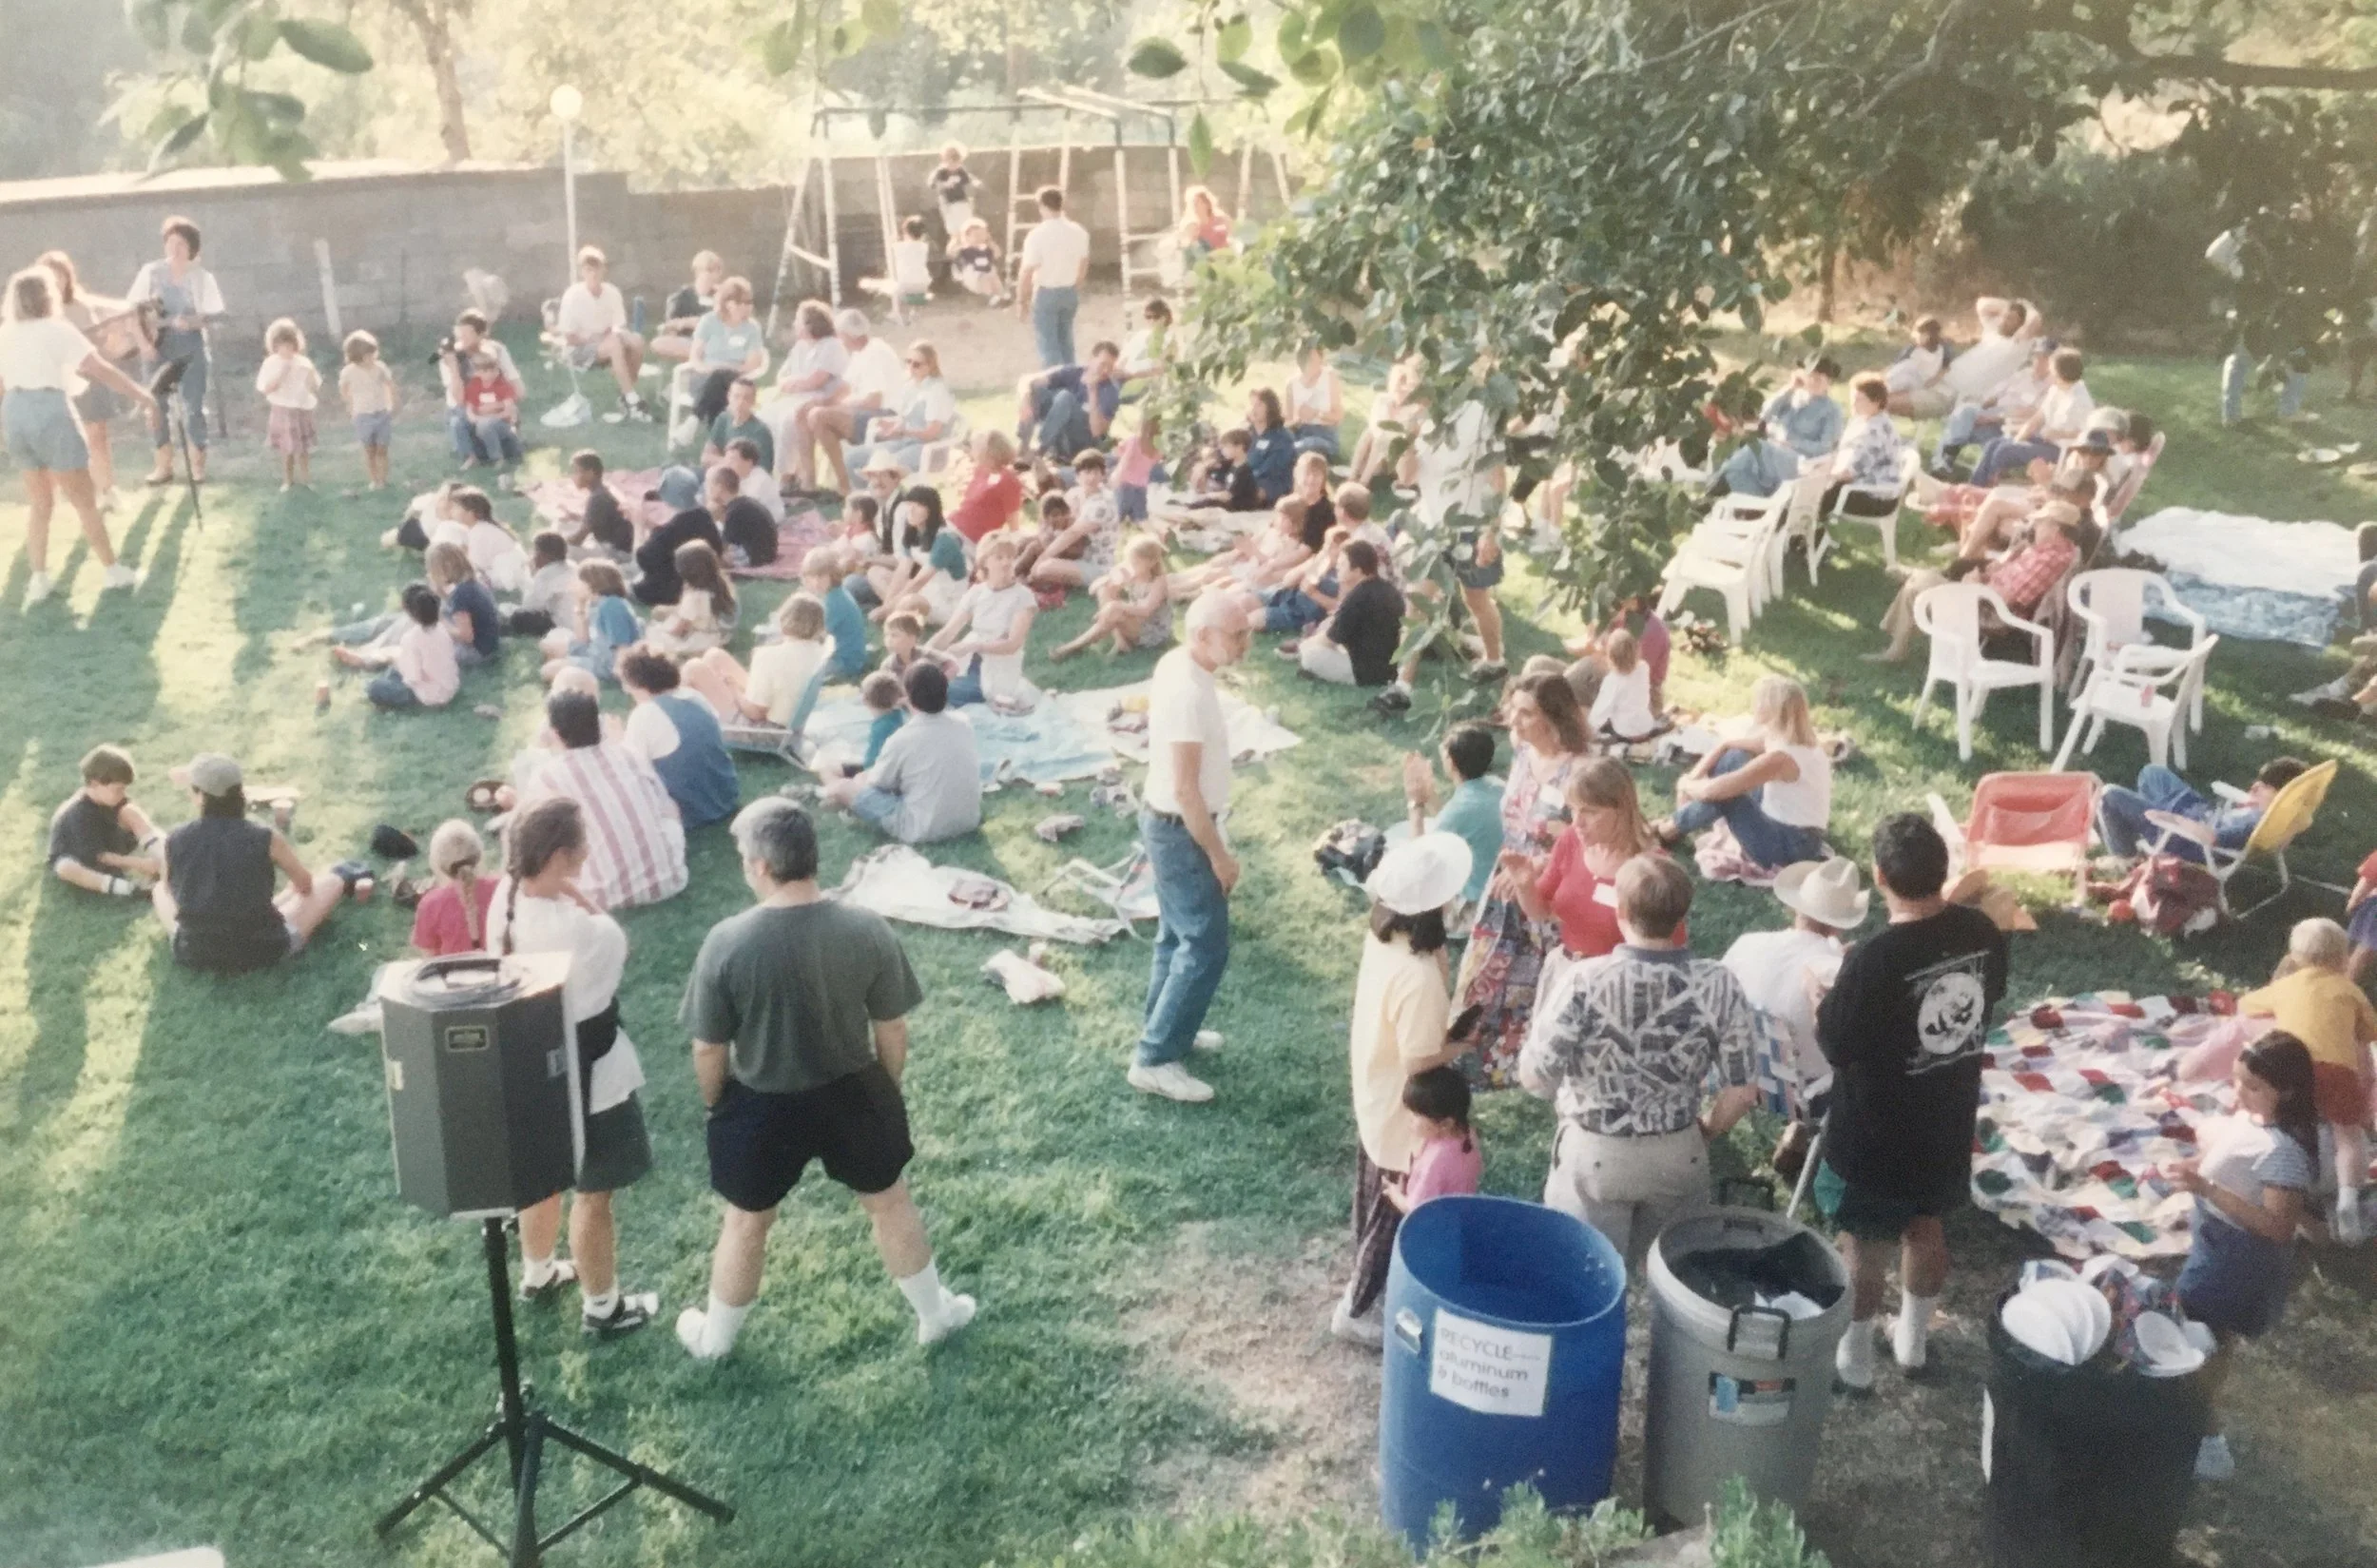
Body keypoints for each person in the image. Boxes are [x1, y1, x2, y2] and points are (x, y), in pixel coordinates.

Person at [675, 798, 978, 1360]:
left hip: (762, 1103)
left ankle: (715, 1342)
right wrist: (884, 1087)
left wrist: (719, 1102)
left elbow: (707, 1046)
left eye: (744, 858)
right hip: (853, 1090)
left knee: (747, 1221)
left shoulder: (727, 941)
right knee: (889, 1201)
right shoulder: (866, 928)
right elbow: (892, 1027)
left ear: (762, 866)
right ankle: (936, 1317)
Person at [1815, 813, 2009, 1390]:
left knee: (1862, 1245)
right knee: (1925, 1228)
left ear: (1880, 877)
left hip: (1875, 1135)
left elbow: (1836, 1044)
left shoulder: (1873, 959)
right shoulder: (1981, 932)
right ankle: (1914, 1343)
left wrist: (1821, 996)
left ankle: (1853, 1359)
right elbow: (1987, 994)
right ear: (1943, 871)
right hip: (1947, 1121)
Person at [1518, 855, 1761, 1271]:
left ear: (1622, 911)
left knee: (1586, 1282)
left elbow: (1537, 1079)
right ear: (1683, 912)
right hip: (1678, 1152)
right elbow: (1742, 1092)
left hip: (1594, 1156)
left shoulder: (1584, 980)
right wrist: (1705, 1131)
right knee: (1667, 1286)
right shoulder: (1719, 983)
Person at [488, 797, 662, 1339]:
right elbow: (615, 939)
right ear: (563, 855)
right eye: (581, 846)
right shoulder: (582, 932)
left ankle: (538, 1272)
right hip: (592, 1073)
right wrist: (579, 892)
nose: (589, 851)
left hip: (528, 1067)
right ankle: (604, 1307)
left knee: (542, 1178)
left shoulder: (506, 899)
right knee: (594, 1191)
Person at [1334, 832, 1473, 1345]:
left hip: (1376, 1084)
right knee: (1391, 1212)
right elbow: (1419, 1059)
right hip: (1404, 1108)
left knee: (1370, 1195)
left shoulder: (1384, 939)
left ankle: (1360, 1284)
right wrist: (1462, 1045)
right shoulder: (1418, 978)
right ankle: (1357, 1307)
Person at [2171, 1032, 2318, 1481]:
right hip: (2216, 1245)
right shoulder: (2250, 1121)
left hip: (2237, 1262)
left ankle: (2205, 1443)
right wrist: (2196, 1165)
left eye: (2253, 1086)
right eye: (2238, 1080)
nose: (2240, 1092)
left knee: (2190, 1344)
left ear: (2287, 1092)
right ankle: (2196, 1432)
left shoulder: (2284, 1153)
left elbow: (2277, 1227)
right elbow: (2227, 1155)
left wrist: (2209, 1189)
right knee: (2209, 1345)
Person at [1131, 592, 1254, 1103]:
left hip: (1176, 823)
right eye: (1237, 635)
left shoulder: (1182, 663)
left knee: (1175, 937)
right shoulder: (1187, 692)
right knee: (1204, 944)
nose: (1247, 644)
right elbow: (1186, 791)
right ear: (1202, 634)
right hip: (1180, 827)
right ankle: (1156, 1058)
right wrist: (1219, 855)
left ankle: (1169, 1028)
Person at [1452, 672, 1593, 1086]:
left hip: (1545, 885)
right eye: (1513, 710)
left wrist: (1537, 868)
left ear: (1553, 716)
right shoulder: (1521, 753)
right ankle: (1465, 1050)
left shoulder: (1580, 772)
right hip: (1505, 877)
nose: (1514, 721)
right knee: (1481, 972)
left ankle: (1528, 1061)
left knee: (1533, 983)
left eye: (1526, 713)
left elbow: (1588, 844)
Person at [1, 265, 156, 603]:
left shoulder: (5, 334)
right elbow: (102, 369)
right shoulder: (58, 330)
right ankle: (113, 571)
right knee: (85, 501)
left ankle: (38, 579)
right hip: (50, 410)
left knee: (39, 503)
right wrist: (142, 395)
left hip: (14, 412)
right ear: (47, 298)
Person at [1721, 857, 1866, 1176]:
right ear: (1840, 923)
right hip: (1801, 1096)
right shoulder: (1838, 976)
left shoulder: (1747, 945)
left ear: (1795, 906)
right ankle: (1803, 1135)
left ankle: (1793, 1134)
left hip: (1733, 1071)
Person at [2239, 918, 2377, 1243]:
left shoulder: (2287, 985)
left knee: (2289, 1122)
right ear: (2343, 959)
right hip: (2338, 1070)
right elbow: (2371, 1031)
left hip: (2293, 1066)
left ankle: (2285, 1182)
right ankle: (2348, 1197)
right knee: (2349, 1136)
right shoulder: (2350, 990)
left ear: (2294, 958)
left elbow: (2245, 1005)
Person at [152, 754, 354, 973]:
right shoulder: (265, 837)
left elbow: (168, 890)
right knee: (332, 881)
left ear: (200, 796)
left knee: (158, 892)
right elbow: (305, 884)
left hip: (193, 950)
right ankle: (266, 911)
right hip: (264, 949)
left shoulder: (174, 838)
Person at [514, 688, 688, 908]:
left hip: (601, 895)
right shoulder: (629, 754)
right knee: (669, 807)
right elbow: (663, 804)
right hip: (669, 881)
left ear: (556, 732)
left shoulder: (547, 776)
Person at [1500, 758, 1665, 989]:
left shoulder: (1653, 868)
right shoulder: (1571, 841)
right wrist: (1525, 886)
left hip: (1618, 985)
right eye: (1573, 810)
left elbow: (1667, 953)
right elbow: (1540, 912)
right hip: (1567, 971)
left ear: (1621, 809)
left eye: (1589, 811)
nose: (1577, 822)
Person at [1867, 501, 2079, 664]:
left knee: (1920, 584)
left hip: (1991, 614)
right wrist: (1990, 575)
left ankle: (1897, 647)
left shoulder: (2050, 560)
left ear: (2055, 529)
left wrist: (1975, 587)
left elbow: (2009, 600)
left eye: (2041, 522)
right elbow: (2010, 583)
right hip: (1984, 598)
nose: (2035, 526)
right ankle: (1897, 646)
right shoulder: (2042, 551)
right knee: (1922, 582)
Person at [821, 662, 983, 842]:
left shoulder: (901, 739)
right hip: (969, 820)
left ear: (908, 696)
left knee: (844, 787)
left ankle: (829, 796)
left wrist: (859, 781)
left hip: (922, 827)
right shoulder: (964, 723)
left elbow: (877, 784)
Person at [36, 251, 138, 509]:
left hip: (90, 378)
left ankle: (107, 490)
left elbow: (100, 340)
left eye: (60, 275)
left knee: (98, 436)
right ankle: (67, 496)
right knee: (61, 443)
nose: (56, 281)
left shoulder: (81, 306)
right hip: (57, 384)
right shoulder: (36, 313)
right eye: (50, 276)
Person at [127, 215, 224, 486]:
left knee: (193, 406)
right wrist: (144, 344)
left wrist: (190, 321)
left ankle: (197, 466)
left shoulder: (202, 277)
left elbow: (211, 315)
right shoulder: (150, 272)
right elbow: (133, 311)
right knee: (156, 406)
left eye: (181, 243)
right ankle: (163, 465)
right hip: (158, 346)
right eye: (170, 242)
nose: (174, 248)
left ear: (192, 247)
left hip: (191, 345)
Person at [2096, 755, 2310, 865]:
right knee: (2152, 772)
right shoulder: (2279, 817)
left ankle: (2126, 859)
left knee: (2109, 794)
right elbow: (2295, 828)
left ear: (2281, 796)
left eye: (2264, 787)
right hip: (2195, 809)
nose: (2255, 787)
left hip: (2180, 837)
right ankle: (2134, 823)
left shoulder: (2255, 821)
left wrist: (2170, 818)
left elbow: (2210, 836)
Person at [617, 647, 741, 829]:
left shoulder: (644, 714)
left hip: (690, 812)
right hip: (726, 796)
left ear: (634, 684)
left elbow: (632, 769)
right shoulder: (694, 696)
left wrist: (617, 741)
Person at [1401, 723, 1505, 920]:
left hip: (1476, 905)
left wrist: (1415, 802)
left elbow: (1417, 859)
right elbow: (1454, 826)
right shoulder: (1497, 786)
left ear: (1451, 761)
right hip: (1501, 888)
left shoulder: (1461, 808)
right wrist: (1429, 793)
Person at [796, 310, 906, 494]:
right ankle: (809, 482)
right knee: (805, 412)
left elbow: (874, 401)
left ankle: (844, 485)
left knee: (818, 416)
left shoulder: (875, 352)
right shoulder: (858, 353)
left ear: (847, 335)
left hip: (883, 417)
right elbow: (845, 387)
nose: (840, 340)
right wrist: (824, 401)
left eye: (840, 336)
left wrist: (836, 407)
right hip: (864, 413)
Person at [684, 591, 830, 731]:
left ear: (784, 620)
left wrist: (733, 689)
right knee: (714, 656)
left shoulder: (768, 656)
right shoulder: (818, 650)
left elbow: (755, 713)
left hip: (766, 730)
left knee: (693, 668)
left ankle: (680, 725)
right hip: (788, 716)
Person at [1712, 357, 1845, 498]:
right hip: (1773, 456)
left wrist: (1792, 443)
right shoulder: (1792, 397)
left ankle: (1711, 490)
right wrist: (1790, 387)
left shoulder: (1832, 410)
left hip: (1802, 462)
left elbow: (1825, 448)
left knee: (1757, 447)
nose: (1813, 382)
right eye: (1810, 377)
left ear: (1828, 383)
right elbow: (1765, 414)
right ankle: (1754, 509)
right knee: (1736, 472)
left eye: (1819, 379)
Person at [930, 534, 1037, 707]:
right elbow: (949, 631)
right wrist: (921, 655)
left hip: (997, 670)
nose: (1006, 562)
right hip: (966, 665)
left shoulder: (1023, 596)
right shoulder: (977, 592)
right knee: (921, 681)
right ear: (985, 562)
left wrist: (974, 646)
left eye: (1010, 557)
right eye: (999, 557)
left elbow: (1013, 644)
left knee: (936, 691)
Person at [48, 745, 163, 898]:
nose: (123, 794)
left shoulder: (112, 800)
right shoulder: (78, 814)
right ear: (95, 784)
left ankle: (167, 855)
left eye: (124, 789)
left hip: (108, 842)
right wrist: (139, 864)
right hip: (83, 857)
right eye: (118, 790)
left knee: (130, 811)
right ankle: (131, 889)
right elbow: (98, 856)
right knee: (65, 868)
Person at [1968, 347, 2094, 487]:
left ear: (2061, 373)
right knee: (1994, 444)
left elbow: (2087, 434)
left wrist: (2060, 433)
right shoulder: (2056, 391)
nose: (2050, 373)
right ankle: (1974, 486)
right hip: (2044, 440)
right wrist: (2018, 438)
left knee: (2004, 451)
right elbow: (2038, 418)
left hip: (2060, 450)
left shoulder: (2080, 400)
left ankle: (1986, 488)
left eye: (2052, 370)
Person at [1932, 338, 2054, 476]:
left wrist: (1993, 418)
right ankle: (1943, 463)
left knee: (1960, 422)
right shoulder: (2022, 375)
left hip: (2010, 425)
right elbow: (1993, 395)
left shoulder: (2052, 386)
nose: (2039, 361)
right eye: (2037, 356)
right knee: (1965, 413)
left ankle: (1945, 459)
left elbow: (2033, 414)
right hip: (1991, 416)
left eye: (2045, 358)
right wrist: (1980, 410)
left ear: (2053, 362)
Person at [556, 246, 650, 421]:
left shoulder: (612, 292)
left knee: (636, 340)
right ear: (582, 272)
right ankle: (632, 400)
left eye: (597, 268)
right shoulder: (572, 295)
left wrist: (620, 335)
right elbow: (569, 337)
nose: (593, 273)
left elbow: (617, 325)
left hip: (606, 342)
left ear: (604, 270)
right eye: (588, 269)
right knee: (615, 344)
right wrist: (598, 338)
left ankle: (627, 394)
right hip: (578, 349)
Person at [1297, 540, 1404, 687]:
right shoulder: (1389, 589)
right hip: (1390, 667)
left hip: (1365, 673)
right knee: (1326, 629)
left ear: (1357, 571)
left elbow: (1330, 640)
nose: (1337, 568)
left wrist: (1305, 645)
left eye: (1342, 565)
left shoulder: (1357, 597)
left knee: (1309, 654)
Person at [845, 340, 959, 477]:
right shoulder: (910, 386)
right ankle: (865, 495)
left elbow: (931, 433)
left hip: (926, 449)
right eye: (908, 362)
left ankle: (883, 495)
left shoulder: (937, 391)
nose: (911, 367)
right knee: (851, 457)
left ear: (930, 366)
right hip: (904, 442)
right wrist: (890, 426)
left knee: (883, 467)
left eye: (916, 364)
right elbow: (905, 419)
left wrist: (904, 432)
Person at [1053, 534, 1171, 659]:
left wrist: (1116, 605)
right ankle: (1120, 641)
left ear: (1151, 563)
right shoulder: (1133, 573)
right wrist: (1112, 579)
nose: (1131, 565)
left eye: (1136, 562)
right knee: (1104, 590)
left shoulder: (1158, 582)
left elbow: (1146, 611)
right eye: (1130, 561)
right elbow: (1094, 588)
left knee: (1114, 610)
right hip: (1136, 621)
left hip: (1153, 631)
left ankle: (1073, 647)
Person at [434, 310, 524, 468]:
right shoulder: (450, 357)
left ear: (482, 335)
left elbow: (519, 390)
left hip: (496, 407)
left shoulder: (495, 350)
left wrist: (498, 406)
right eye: (459, 335)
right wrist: (454, 368)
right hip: (464, 409)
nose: (462, 340)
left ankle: (501, 445)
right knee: (459, 422)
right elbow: (460, 400)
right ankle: (473, 454)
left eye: (467, 335)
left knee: (492, 427)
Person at [682, 276, 766, 439]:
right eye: (744, 302)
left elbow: (752, 364)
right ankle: (719, 442)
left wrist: (726, 369)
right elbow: (696, 357)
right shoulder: (708, 322)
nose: (749, 306)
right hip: (704, 377)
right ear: (729, 303)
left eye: (750, 302)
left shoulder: (752, 328)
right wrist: (708, 369)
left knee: (722, 378)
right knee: (717, 381)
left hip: (736, 377)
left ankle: (694, 420)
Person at [1015, 185, 1091, 368]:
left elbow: (1027, 271)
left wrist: (1021, 301)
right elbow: (1083, 263)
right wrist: (1075, 284)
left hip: (1046, 291)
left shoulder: (1037, 235)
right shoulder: (1079, 231)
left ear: (1042, 206)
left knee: (1048, 344)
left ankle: (1055, 385)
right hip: (1069, 290)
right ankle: (1071, 380)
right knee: (1066, 341)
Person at [633, 468, 727, 606]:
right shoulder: (704, 517)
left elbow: (641, 560)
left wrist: (638, 526)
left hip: (667, 593)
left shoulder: (668, 531)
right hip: (703, 587)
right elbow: (717, 550)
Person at [1016, 340, 1122, 462]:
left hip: (1084, 442)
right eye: (1103, 364)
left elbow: (1097, 432)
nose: (1105, 370)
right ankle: (1023, 447)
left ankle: (1040, 450)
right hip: (1061, 435)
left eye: (1110, 367)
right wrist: (1026, 400)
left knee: (1065, 398)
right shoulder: (1074, 372)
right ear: (1091, 359)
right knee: (1037, 392)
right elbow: (1029, 381)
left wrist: (1093, 392)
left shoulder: (1110, 391)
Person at [364, 583, 463, 710]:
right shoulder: (442, 629)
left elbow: (413, 677)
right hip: (451, 685)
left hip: (431, 695)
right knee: (395, 669)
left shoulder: (412, 638)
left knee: (374, 688)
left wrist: (399, 663)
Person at [1822, 373, 1904, 519]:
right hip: (1861, 484)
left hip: (1875, 497)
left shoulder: (1874, 431)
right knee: (1817, 491)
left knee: (1814, 495)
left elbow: (1850, 473)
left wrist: (1821, 475)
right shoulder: (1862, 420)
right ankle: (1812, 532)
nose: (1853, 404)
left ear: (1876, 402)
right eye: (1853, 398)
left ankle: (1810, 533)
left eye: (1859, 400)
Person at [409, 819, 495, 957]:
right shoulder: (501, 888)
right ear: (479, 855)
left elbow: (430, 959)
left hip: (452, 975)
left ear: (437, 863)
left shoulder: (430, 904)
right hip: (501, 972)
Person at [254, 317, 321, 491]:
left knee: (303, 448)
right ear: (275, 345)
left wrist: (311, 375)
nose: (287, 349)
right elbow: (266, 388)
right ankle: (287, 481)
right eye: (282, 345)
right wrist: (282, 374)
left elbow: (314, 385)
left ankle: (307, 480)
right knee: (287, 448)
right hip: (283, 409)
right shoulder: (271, 363)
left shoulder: (303, 362)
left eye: (291, 345)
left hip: (301, 408)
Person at [644, 541, 738, 659]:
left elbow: (679, 629)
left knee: (653, 632)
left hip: (701, 641)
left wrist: (664, 630)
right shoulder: (721, 584)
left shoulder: (694, 597)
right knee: (665, 622)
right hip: (717, 635)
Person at [339, 329, 398, 490]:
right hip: (362, 415)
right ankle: (374, 480)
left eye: (373, 354)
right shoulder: (349, 372)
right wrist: (350, 406)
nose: (371, 358)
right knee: (369, 450)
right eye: (366, 356)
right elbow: (344, 389)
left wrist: (391, 404)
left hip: (381, 412)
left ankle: (383, 480)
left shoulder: (380, 368)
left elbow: (390, 384)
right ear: (356, 357)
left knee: (382, 449)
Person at [1585, 629, 1661, 742]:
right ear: (1637, 650)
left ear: (1610, 657)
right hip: (1646, 726)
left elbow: (1600, 712)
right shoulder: (1644, 667)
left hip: (1625, 732)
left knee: (1596, 715)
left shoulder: (1613, 681)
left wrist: (1588, 730)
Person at [651, 250, 725, 363]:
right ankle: (702, 359)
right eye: (709, 270)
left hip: (714, 340)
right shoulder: (681, 296)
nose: (714, 275)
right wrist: (688, 322)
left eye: (718, 271)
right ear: (697, 272)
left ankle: (702, 360)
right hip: (688, 341)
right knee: (658, 343)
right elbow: (670, 325)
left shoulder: (724, 296)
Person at [702, 375, 775, 476]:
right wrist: (730, 463)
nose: (740, 402)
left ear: (753, 401)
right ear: (729, 397)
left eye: (746, 398)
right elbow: (706, 457)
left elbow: (759, 473)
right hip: (717, 475)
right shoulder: (723, 419)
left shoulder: (760, 432)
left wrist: (721, 462)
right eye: (736, 396)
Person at [1882, 316, 1954, 416]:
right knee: (1906, 368)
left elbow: (1944, 370)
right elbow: (1895, 367)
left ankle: (1884, 391)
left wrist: (1930, 383)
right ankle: (1883, 389)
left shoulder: (1943, 349)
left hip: (1922, 382)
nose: (1914, 337)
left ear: (1927, 335)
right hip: (1913, 380)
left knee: (1908, 367)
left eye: (1918, 334)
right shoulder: (1912, 349)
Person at [1285, 345, 1344, 458]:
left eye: (1313, 358)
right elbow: (1288, 422)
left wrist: (1316, 413)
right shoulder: (1291, 384)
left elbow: (1339, 416)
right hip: (1300, 433)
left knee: (1297, 449)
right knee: (1281, 447)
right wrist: (1297, 420)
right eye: (1305, 358)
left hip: (1324, 435)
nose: (1309, 363)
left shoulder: (1329, 378)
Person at [1244, 388, 1298, 505]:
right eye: (1251, 404)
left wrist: (1240, 479)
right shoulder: (1247, 433)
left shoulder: (1282, 438)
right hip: (1245, 483)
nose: (1253, 409)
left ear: (1270, 407)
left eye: (1258, 405)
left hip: (1272, 488)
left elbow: (1271, 470)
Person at [930, 144, 977, 248]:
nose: (953, 165)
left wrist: (971, 199)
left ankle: (967, 249)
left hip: (961, 202)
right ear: (945, 160)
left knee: (966, 229)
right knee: (954, 233)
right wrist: (945, 185)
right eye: (950, 161)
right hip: (948, 204)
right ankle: (954, 251)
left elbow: (968, 184)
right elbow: (933, 184)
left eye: (957, 162)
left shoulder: (961, 171)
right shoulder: (941, 172)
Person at [948, 218, 1004, 305]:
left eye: (983, 234)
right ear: (966, 237)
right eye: (976, 235)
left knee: (994, 277)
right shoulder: (966, 249)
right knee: (984, 278)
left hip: (985, 271)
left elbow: (998, 254)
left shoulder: (986, 248)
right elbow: (951, 253)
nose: (980, 238)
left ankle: (1000, 295)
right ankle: (991, 297)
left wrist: (991, 243)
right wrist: (955, 240)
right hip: (972, 276)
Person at [1176, 184, 1233, 260]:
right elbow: (1188, 247)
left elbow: (1231, 237)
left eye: (1202, 202)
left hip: (1225, 258)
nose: (1199, 206)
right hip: (1206, 262)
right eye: (1195, 203)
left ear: (1208, 203)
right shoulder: (1192, 226)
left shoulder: (1222, 219)